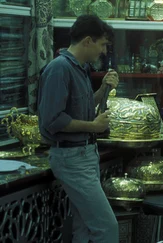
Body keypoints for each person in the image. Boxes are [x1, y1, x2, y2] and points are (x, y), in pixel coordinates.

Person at [38, 15, 119, 243]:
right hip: (71, 157)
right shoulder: (59, 69)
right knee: (107, 228)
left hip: (84, 155)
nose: (103, 51)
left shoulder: (80, 68)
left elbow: (79, 109)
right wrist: (93, 126)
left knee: (83, 228)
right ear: (87, 41)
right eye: (102, 44)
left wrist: (103, 89)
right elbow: (53, 120)